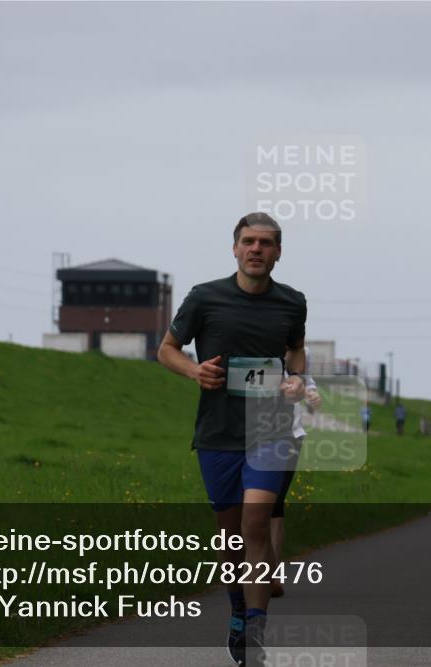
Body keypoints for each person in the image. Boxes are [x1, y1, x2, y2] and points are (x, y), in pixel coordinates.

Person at [157, 212, 307, 667]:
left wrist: (298, 379)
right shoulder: (205, 298)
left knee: (256, 524)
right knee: (230, 539)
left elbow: (296, 349)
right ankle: (238, 613)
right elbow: (166, 349)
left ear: (278, 251)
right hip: (218, 433)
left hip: (270, 429)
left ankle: (257, 629)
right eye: (248, 242)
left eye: (265, 243)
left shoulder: (292, 302)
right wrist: (194, 371)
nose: (256, 249)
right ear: (235, 248)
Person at [270, 358, 321, 599]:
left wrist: (311, 393)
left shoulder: (298, 351)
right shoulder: (250, 340)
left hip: (290, 434)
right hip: (252, 432)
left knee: (275, 502)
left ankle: (272, 573)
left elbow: (306, 380)